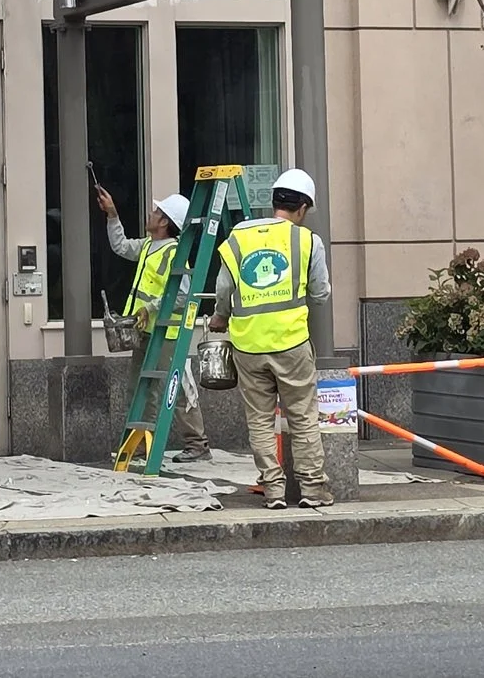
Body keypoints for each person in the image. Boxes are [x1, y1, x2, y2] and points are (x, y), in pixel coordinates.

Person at [208, 167, 331, 509]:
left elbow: (223, 289)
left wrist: (222, 316)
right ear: (303, 208)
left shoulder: (237, 239)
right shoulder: (306, 241)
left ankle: (274, 491)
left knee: (260, 421)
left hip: (247, 345)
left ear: (274, 201)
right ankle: (312, 489)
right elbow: (320, 294)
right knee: (303, 416)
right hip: (291, 342)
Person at [98, 186, 208, 461]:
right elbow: (121, 245)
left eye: (157, 211)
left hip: (167, 334)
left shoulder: (174, 254)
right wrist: (112, 215)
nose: (151, 212)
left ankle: (193, 444)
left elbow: (184, 294)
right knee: (139, 389)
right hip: (145, 332)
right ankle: (141, 444)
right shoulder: (148, 246)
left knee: (172, 388)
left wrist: (151, 307)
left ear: (165, 223)